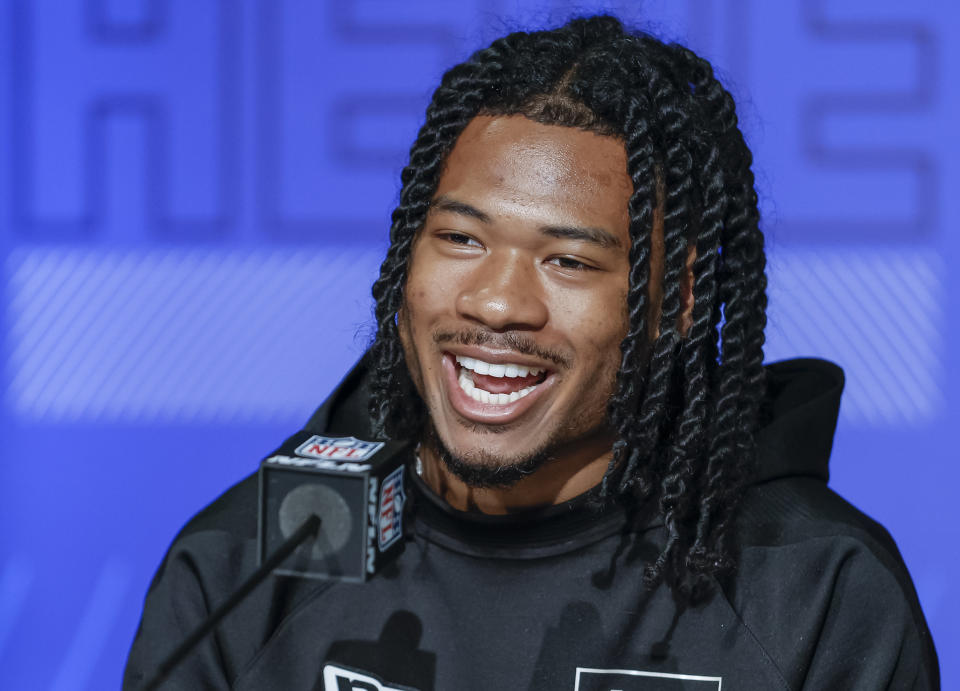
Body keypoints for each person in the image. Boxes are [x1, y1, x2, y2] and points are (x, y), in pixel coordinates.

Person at [124, 15, 939, 690]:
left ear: (677, 300)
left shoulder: (815, 590)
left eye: (569, 261)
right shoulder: (247, 568)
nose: (496, 300)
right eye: (460, 237)